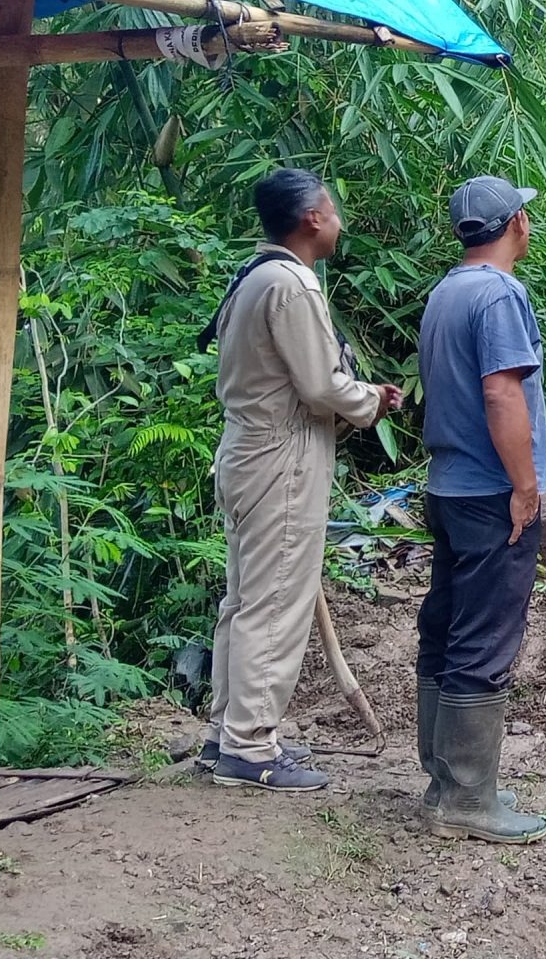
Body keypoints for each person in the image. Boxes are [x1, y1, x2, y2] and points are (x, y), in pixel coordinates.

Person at [201, 169, 404, 791]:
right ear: (312, 218)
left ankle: (226, 731)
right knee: (277, 601)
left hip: (247, 452)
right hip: (281, 458)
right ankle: (251, 745)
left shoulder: (253, 277)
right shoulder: (290, 285)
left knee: (246, 599)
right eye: (333, 209)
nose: (338, 220)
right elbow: (320, 387)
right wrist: (371, 400)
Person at [413, 176, 546, 844]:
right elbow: (503, 396)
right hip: (488, 492)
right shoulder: (500, 295)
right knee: (484, 637)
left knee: (445, 627)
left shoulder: (447, 291)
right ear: (516, 224)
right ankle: (470, 799)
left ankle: (446, 782)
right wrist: (525, 487)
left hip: (447, 487)